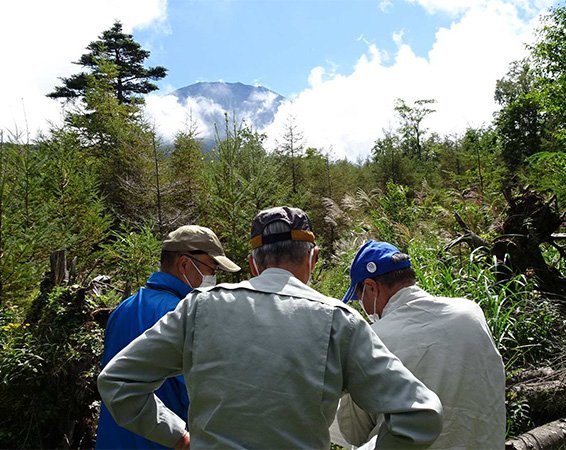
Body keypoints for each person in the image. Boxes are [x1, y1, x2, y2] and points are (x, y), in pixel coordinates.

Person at [97, 207, 443, 449]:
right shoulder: (339, 320)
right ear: (313, 258)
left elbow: (117, 382)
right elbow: (420, 414)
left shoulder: (198, 307)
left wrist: (177, 435)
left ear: (252, 263)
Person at [337, 240, 506, 450]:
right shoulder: (471, 312)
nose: (362, 307)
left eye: (359, 297)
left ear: (371, 287)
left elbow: (353, 431)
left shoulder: (372, 338)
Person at [95, 225, 240, 450]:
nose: (213, 277)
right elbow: (199, 394)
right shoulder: (183, 315)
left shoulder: (124, 308)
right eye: (212, 269)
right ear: (184, 264)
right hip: (165, 442)